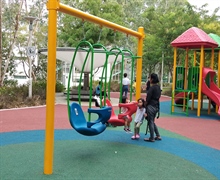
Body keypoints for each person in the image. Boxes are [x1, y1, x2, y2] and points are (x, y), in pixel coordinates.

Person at [144, 73, 161, 142]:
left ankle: (152, 137)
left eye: (150, 78)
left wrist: (145, 106)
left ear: (152, 79)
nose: (149, 79)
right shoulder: (158, 87)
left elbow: (148, 98)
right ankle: (157, 135)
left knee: (150, 121)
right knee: (152, 121)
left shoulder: (152, 88)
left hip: (151, 106)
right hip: (156, 105)